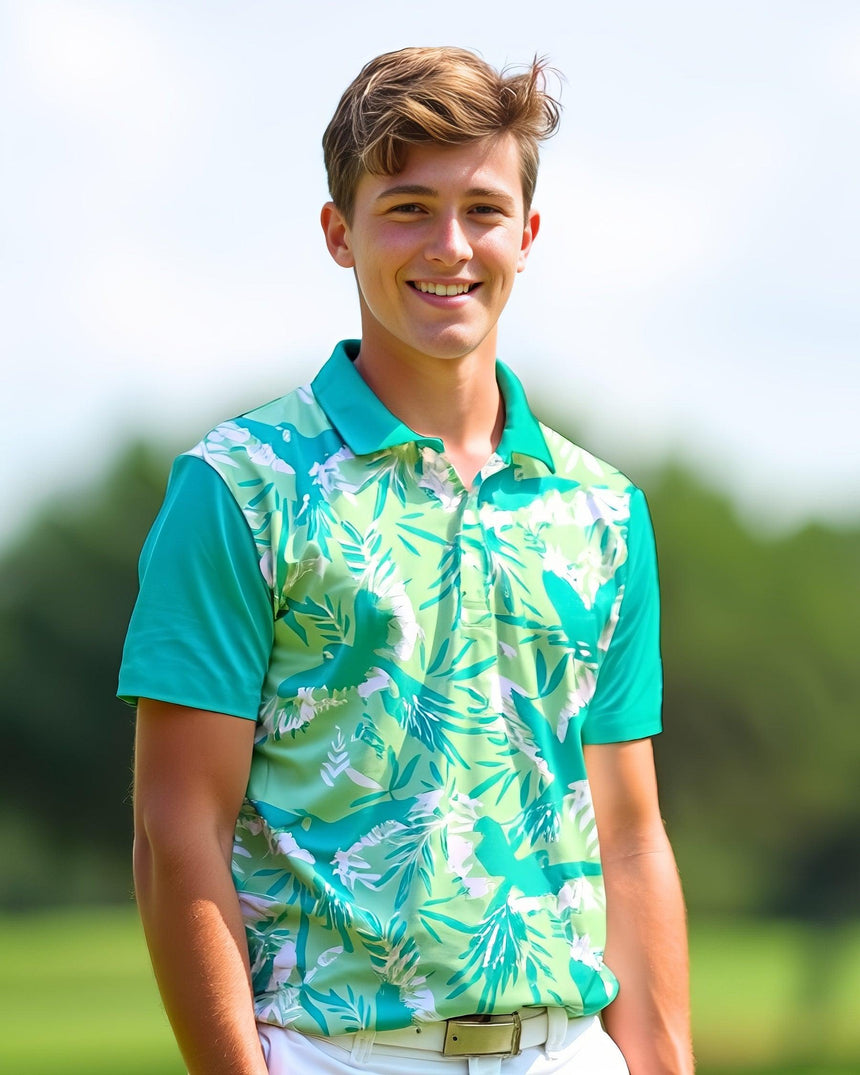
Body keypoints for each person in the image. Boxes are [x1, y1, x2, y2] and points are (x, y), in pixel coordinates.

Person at [119, 46, 693, 1075]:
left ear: (525, 232)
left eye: (480, 208)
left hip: (568, 1052)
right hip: (332, 1054)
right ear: (339, 233)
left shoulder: (601, 511)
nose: (448, 245)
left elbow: (629, 831)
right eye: (405, 207)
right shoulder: (240, 487)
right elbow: (175, 828)